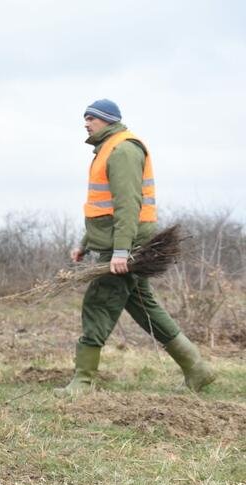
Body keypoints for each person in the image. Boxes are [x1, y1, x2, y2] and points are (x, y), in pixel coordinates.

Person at [58, 99, 216, 396]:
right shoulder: (107, 149)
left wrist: (120, 252)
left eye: (91, 118)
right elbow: (100, 209)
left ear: (107, 120)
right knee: (146, 308)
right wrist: (84, 244)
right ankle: (197, 368)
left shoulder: (123, 150)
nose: (86, 123)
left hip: (124, 248)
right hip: (115, 245)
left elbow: (128, 205)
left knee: (98, 303)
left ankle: (83, 380)